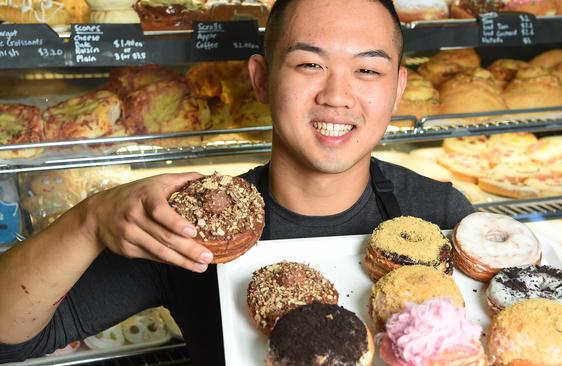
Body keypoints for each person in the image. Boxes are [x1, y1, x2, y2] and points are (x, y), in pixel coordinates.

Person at [0, 0, 474, 364]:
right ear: (262, 79)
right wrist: (90, 220)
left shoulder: (443, 219)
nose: (336, 95)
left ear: (397, 90)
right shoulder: (193, 226)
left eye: (367, 69)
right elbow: (11, 337)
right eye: (310, 64)